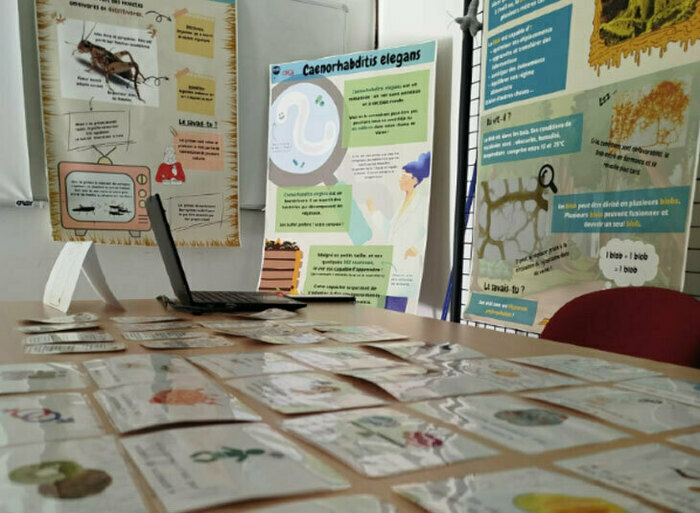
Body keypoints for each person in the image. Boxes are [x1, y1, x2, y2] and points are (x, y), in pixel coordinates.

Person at [366, 152, 431, 312]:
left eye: (404, 177)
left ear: (414, 180)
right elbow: (390, 232)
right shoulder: (402, 203)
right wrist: (374, 212)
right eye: (401, 176)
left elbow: (427, 231)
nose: (400, 180)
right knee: (383, 310)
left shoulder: (422, 203)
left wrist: (414, 249)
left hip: (404, 268)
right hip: (391, 265)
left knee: (394, 312)